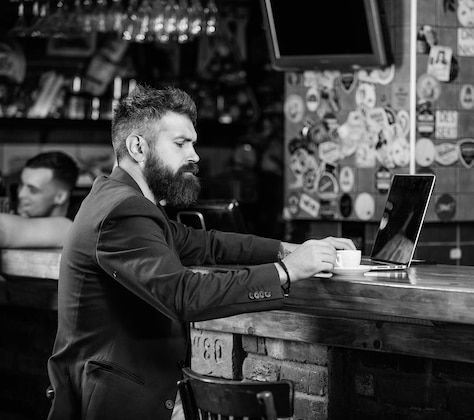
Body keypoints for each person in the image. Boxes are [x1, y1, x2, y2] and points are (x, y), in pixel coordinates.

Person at [47, 85, 355, 420]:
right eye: (181, 143)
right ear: (138, 146)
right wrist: (286, 271)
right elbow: (184, 296)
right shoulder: (124, 211)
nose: (194, 155)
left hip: (125, 392)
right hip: (116, 402)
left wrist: (288, 249)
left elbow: (205, 243)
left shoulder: (120, 198)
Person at [0, 151, 78, 248]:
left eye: (32, 189)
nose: (21, 194)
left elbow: (5, 230)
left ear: (60, 197)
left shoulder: (74, 225)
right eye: (21, 185)